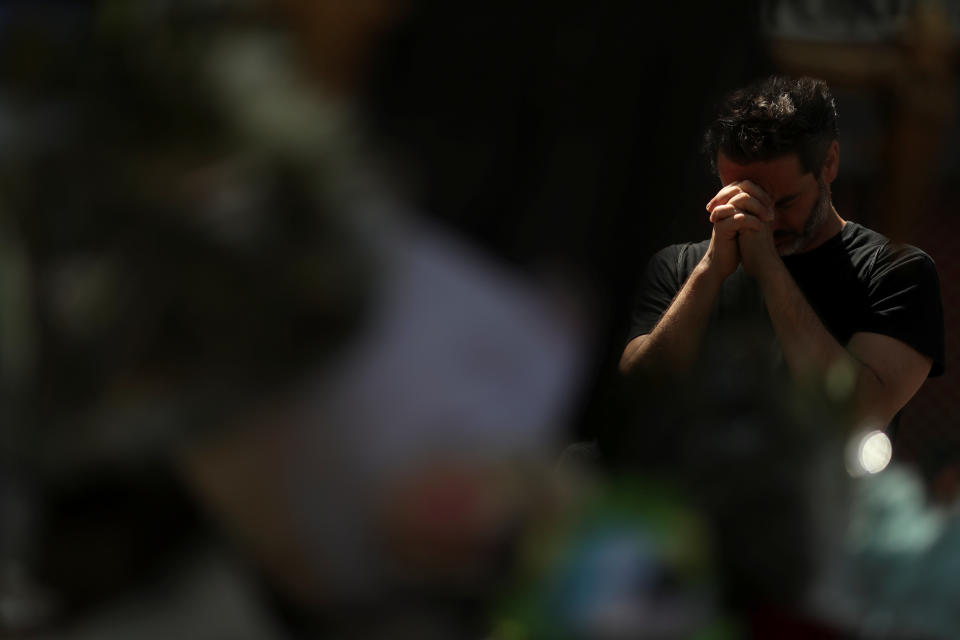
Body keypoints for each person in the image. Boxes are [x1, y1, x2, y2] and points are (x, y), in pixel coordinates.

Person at [619, 75, 944, 434]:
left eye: (783, 202)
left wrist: (771, 271)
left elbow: (857, 416)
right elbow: (630, 403)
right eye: (741, 196)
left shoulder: (895, 271)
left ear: (830, 163)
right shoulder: (679, 268)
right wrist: (709, 270)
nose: (766, 221)